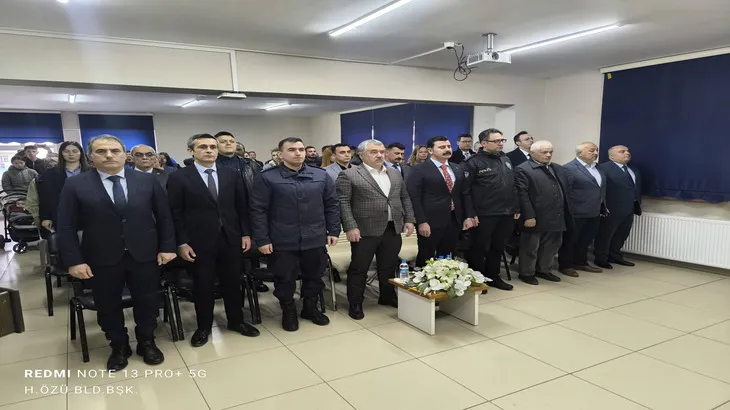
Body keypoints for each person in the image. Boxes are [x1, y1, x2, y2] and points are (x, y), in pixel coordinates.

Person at [56, 135, 176, 371]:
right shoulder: (76, 184)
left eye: (114, 150)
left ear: (125, 155)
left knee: (148, 301)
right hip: (101, 256)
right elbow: (66, 225)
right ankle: (118, 346)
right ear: (91, 157)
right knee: (108, 305)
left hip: (144, 253)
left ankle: (147, 341)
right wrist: (74, 260)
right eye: (101, 151)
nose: (109, 155)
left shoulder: (146, 180)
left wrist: (168, 247)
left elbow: (164, 217)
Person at [168, 134, 260, 347]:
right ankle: (204, 327)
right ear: (191, 151)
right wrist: (181, 242)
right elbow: (175, 213)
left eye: (212, 147)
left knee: (233, 282)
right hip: (198, 242)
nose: (209, 150)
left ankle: (236, 321)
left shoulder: (231, 174)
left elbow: (241, 207)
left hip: (230, 238)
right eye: (203, 147)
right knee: (203, 285)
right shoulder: (179, 177)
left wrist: (246, 234)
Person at [250, 137, 340, 331]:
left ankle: (310, 308)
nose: (298, 153)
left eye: (301, 149)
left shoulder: (320, 175)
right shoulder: (267, 177)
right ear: (281, 154)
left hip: (314, 236)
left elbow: (332, 204)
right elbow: (258, 210)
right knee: (284, 278)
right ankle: (288, 311)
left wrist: (333, 230)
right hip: (282, 238)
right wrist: (262, 239)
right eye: (292, 150)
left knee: (314, 275)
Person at [336, 139, 416, 320]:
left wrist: (410, 219)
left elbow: (404, 197)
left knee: (388, 266)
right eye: (373, 152)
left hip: (392, 228)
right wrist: (350, 226)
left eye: (381, 151)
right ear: (361, 155)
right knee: (359, 268)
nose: (379, 155)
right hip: (364, 230)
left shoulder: (394, 173)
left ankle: (387, 296)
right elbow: (343, 203)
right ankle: (356, 302)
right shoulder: (349, 174)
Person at [462, 129, 518, 291]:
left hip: (505, 212)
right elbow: (465, 191)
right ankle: (478, 280)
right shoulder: (473, 162)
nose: (501, 143)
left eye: (502, 140)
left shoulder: (505, 159)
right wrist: (471, 213)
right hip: (484, 213)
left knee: (498, 247)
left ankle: (494, 276)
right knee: (479, 248)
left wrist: (516, 207)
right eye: (496, 141)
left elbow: (512, 186)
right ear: (484, 143)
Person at [215, 131, 267, 292]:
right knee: (229, 252)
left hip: (250, 210)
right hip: (226, 214)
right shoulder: (212, 165)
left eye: (231, 141)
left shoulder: (250, 164)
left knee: (252, 247)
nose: (228, 143)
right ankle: (229, 282)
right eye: (223, 141)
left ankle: (254, 279)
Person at [407, 136, 471, 267]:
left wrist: (468, 216)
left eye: (448, 146)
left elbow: (464, 194)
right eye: (442, 147)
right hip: (430, 221)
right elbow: (414, 197)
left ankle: (445, 278)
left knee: (448, 257)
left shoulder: (457, 168)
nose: (447, 149)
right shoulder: (419, 169)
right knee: (426, 257)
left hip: (454, 219)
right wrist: (421, 221)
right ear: (430, 150)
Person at [515, 140, 572, 285]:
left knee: (552, 245)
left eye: (550, 152)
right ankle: (526, 272)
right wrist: (529, 215)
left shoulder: (556, 168)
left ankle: (544, 270)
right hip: (535, 215)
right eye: (544, 152)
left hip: (556, 213)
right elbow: (522, 194)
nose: (548, 155)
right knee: (531, 246)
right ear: (532, 153)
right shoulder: (523, 169)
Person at [558, 142, 607, 276]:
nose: (595, 153)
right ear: (580, 153)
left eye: (596, 150)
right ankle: (565, 265)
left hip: (594, 210)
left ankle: (580, 262)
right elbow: (565, 191)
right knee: (570, 240)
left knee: (586, 239)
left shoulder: (598, 168)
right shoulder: (569, 168)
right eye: (591, 150)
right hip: (575, 211)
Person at [594, 145, 642, 269]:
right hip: (611, 208)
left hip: (629, 208)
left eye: (628, 151)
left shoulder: (633, 169)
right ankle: (601, 258)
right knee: (606, 234)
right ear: (611, 156)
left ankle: (615, 255)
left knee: (622, 234)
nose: (627, 153)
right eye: (622, 151)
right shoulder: (603, 168)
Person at [37, 141, 90, 233]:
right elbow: (45, 197)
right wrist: (46, 217)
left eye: (75, 151)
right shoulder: (50, 174)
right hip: (62, 214)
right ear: (61, 153)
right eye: (66, 151)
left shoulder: (92, 172)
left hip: (89, 215)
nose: (71, 154)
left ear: (81, 153)